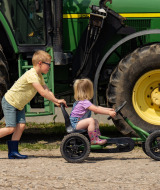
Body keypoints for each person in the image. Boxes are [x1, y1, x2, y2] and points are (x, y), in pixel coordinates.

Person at [1, 50, 67, 159]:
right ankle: (12, 151)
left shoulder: (39, 76)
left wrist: (56, 101)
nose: (49, 67)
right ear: (40, 63)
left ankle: (13, 152)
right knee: (10, 128)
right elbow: (42, 92)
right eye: (48, 64)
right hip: (10, 102)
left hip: (19, 104)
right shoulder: (31, 75)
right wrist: (57, 100)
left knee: (21, 126)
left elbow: (47, 90)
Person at [70, 78, 116, 145]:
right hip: (75, 124)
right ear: (88, 91)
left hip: (78, 122)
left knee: (95, 121)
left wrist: (108, 109)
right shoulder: (84, 102)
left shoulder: (84, 101)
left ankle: (97, 136)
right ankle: (94, 140)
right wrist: (109, 113)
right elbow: (96, 110)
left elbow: (97, 107)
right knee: (91, 120)